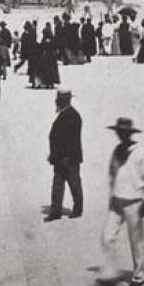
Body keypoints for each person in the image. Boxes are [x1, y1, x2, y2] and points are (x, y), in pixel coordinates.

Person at [98, 117, 144, 286]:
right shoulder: (116, 150)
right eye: (118, 132)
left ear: (130, 134)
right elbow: (111, 174)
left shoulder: (141, 152)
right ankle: (110, 270)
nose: (121, 135)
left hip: (134, 201)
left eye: (124, 133)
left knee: (136, 239)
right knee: (107, 237)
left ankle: (139, 274)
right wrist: (111, 197)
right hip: (116, 201)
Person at [46, 88, 83, 221]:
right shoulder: (65, 115)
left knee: (74, 183)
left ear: (64, 101)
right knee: (58, 184)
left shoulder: (72, 116)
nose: (56, 103)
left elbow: (72, 140)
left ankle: (77, 209)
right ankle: (55, 211)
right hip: (60, 158)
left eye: (58, 100)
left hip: (69, 159)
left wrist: (66, 157)